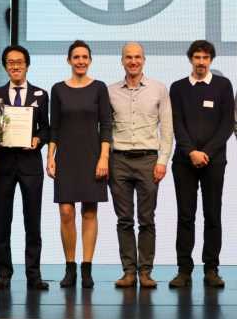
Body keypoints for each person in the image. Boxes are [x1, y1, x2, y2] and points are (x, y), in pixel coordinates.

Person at [169, 40, 234, 288]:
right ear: (190, 59)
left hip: (214, 161)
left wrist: (205, 152)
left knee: (212, 214)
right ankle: (184, 270)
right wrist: (191, 152)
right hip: (184, 162)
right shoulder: (178, 88)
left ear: (211, 60)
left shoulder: (223, 86)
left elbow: (227, 124)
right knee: (185, 216)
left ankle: (211, 269)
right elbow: (176, 124)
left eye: (205, 57)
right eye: (197, 57)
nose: (201, 62)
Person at [47, 40, 112, 288]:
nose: (81, 61)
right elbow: (54, 126)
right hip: (66, 157)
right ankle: (70, 267)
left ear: (90, 60)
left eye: (85, 57)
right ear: (69, 60)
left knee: (89, 211)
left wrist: (104, 157)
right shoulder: (58, 89)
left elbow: (106, 124)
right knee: (65, 212)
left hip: (92, 156)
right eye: (76, 57)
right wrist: (50, 156)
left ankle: (86, 268)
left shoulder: (99, 88)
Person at [108, 42, 173, 288]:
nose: (133, 61)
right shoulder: (110, 91)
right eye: (128, 57)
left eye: (137, 57)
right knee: (124, 219)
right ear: (122, 61)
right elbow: (103, 128)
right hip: (119, 161)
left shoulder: (159, 89)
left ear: (144, 60)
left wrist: (162, 161)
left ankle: (145, 272)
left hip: (148, 160)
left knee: (147, 219)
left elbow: (167, 128)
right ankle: (128, 272)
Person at [0, 45, 50, 290]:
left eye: (19, 62)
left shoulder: (40, 94)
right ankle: (3, 274)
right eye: (10, 62)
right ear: (5, 66)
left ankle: (33, 275)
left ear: (27, 64)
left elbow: (46, 128)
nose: (15, 66)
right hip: (4, 163)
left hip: (30, 165)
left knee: (32, 221)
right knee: (2, 221)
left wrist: (39, 139)